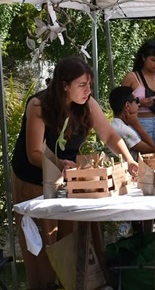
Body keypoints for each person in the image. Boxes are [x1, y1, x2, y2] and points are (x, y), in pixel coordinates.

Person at [11, 57, 139, 290]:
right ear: (64, 85)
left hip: (68, 179)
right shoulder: (38, 106)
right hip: (32, 180)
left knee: (72, 238)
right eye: (82, 85)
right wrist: (61, 164)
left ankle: (77, 284)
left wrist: (129, 160)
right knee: (44, 242)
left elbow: (109, 136)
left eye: (89, 84)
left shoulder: (88, 104)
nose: (88, 90)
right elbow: (34, 153)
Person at [108, 85, 155, 158]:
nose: (139, 104)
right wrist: (137, 125)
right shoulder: (124, 130)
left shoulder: (116, 124)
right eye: (136, 101)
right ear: (127, 106)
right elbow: (153, 150)